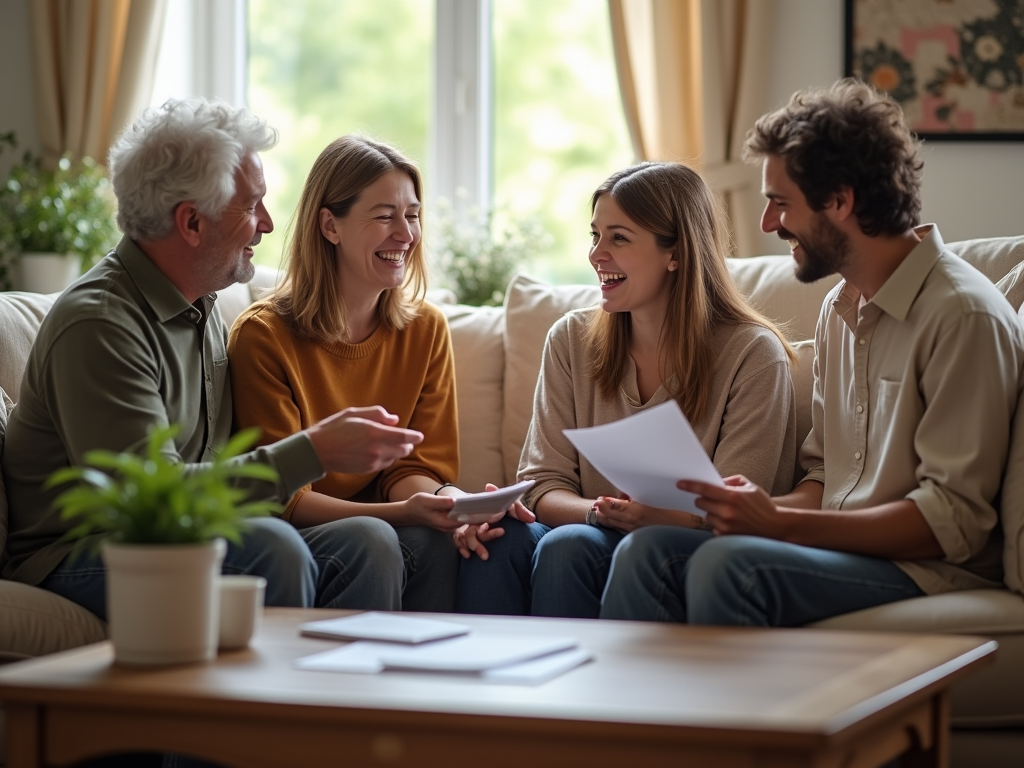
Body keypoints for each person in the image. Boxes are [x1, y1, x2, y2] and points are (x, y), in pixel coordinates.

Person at [601, 78, 1024, 626]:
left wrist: (777, 525)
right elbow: (824, 478)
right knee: (647, 550)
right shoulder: (838, 310)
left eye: (780, 203)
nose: (766, 224)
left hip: (925, 567)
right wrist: (742, 511)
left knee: (731, 567)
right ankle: (631, 714)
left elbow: (953, 521)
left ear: (840, 201)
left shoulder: (961, 316)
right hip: (840, 548)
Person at [1, 99, 426, 620]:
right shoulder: (100, 324)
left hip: (184, 536)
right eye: (252, 206)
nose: (269, 223)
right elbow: (150, 502)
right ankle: (264, 703)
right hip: (83, 554)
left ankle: (342, 699)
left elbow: (216, 474)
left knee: (367, 541)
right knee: (274, 547)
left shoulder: (201, 306)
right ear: (192, 223)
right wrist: (312, 450)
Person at [455, 161, 797, 617]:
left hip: (685, 547)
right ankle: (479, 685)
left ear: (675, 253)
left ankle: (578, 688)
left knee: (569, 547)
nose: (597, 254)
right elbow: (541, 484)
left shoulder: (752, 355)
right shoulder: (570, 340)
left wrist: (652, 518)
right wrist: (600, 513)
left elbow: (737, 510)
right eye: (595, 236)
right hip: (585, 526)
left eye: (618, 238)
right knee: (499, 536)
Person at [227, 136, 530, 612]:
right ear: (330, 225)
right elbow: (281, 496)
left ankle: (422, 680)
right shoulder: (262, 337)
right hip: (301, 538)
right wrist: (399, 514)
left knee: (451, 539)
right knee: (374, 537)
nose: (406, 234)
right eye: (385, 215)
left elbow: (413, 468)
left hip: (385, 529)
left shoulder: (425, 329)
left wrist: (450, 502)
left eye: (412, 215)